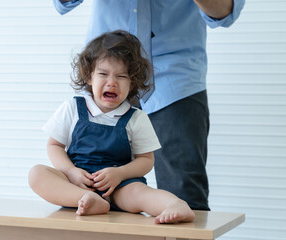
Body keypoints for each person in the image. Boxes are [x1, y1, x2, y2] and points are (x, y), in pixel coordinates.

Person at [52, 0, 246, 210]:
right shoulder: (77, 105)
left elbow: (225, 12)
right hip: (105, 71)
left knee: (185, 197)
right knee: (84, 187)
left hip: (176, 80)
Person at [28, 30, 195, 224]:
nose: (112, 82)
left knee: (140, 193)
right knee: (37, 174)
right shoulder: (72, 108)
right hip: (77, 184)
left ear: (132, 82)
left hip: (120, 187)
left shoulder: (136, 118)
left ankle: (174, 204)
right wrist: (71, 172)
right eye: (103, 74)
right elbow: (54, 146)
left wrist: (120, 174)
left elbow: (146, 160)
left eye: (121, 76)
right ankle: (85, 199)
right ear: (89, 76)